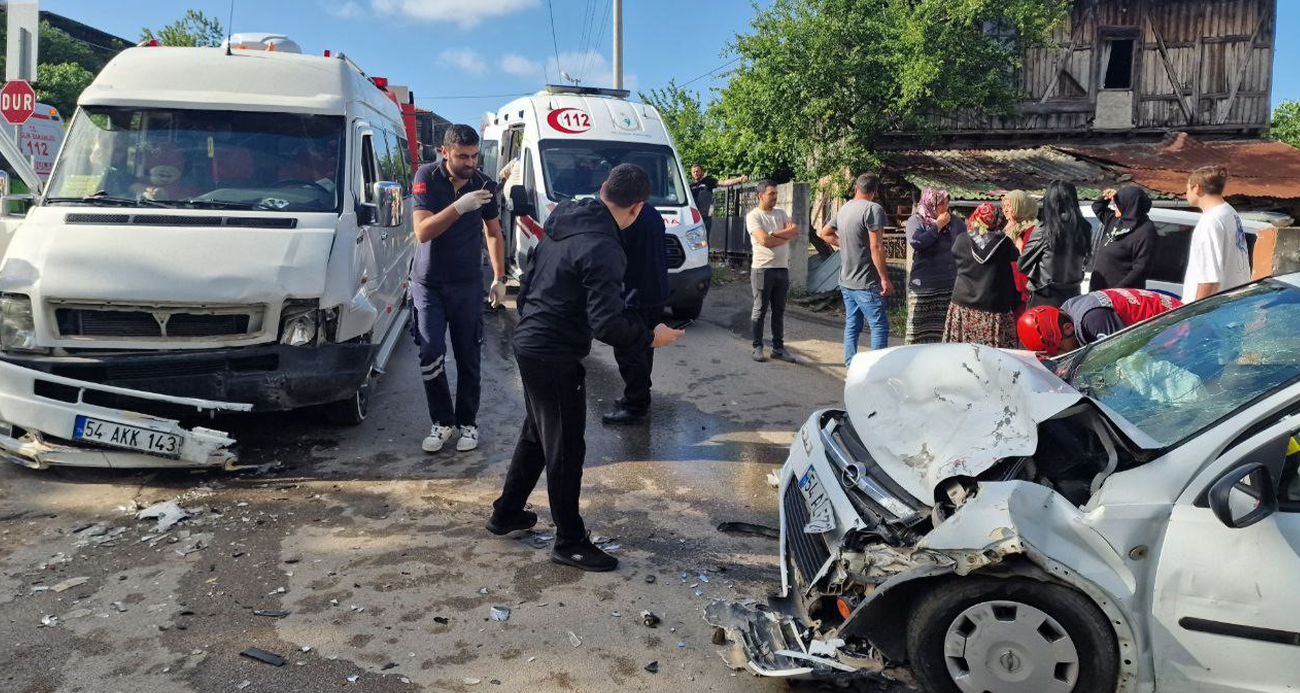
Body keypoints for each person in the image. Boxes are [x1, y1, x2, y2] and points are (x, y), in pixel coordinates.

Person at [489, 164, 685, 572]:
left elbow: (527, 280)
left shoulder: (561, 219)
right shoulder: (605, 247)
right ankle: (570, 541)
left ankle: (507, 512)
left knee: (537, 434)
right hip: (552, 353)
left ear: (602, 190)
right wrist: (652, 337)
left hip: (530, 342)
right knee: (565, 447)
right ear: (638, 209)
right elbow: (608, 323)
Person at [410, 124, 508, 454]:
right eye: (463, 156)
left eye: (475, 156)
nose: (470, 163)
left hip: (466, 283)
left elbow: (493, 233)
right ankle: (441, 422)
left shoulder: (483, 183)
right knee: (431, 350)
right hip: (429, 283)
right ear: (445, 152)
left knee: (469, 355)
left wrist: (499, 277)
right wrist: (460, 206)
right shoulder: (425, 176)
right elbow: (423, 231)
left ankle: (468, 423)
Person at [602, 203, 670, 425]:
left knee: (630, 351)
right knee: (645, 347)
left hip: (634, 294)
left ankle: (635, 406)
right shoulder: (651, 212)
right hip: (655, 291)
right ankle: (639, 396)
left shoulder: (625, 216)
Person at [820, 173, 893, 363]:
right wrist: (884, 278)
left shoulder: (845, 208)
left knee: (853, 324)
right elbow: (876, 247)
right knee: (879, 326)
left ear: (856, 188)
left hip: (846, 280)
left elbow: (824, 233)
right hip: (866, 282)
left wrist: (846, 244)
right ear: (875, 191)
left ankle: (850, 365)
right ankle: (876, 370)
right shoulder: (873, 209)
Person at [943, 202, 1021, 348]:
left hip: (962, 307)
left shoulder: (962, 239)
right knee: (993, 360)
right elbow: (1016, 257)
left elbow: (955, 255)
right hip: (994, 309)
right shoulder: (1004, 242)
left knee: (962, 356)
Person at [1018, 288, 1183, 356]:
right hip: (1165, 329)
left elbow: (1124, 360)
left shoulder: (1093, 320)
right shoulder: (1068, 313)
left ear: (1068, 328)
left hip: (1182, 328)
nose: (1062, 355)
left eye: (1060, 349)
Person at [747, 180, 799, 363]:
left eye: (776, 194)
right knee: (760, 310)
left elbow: (795, 231)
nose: (775, 197)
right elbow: (764, 241)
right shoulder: (753, 216)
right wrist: (783, 236)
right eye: (771, 194)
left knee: (779, 310)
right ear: (760, 195)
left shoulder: (781, 213)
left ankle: (778, 348)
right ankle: (757, 347)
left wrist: (775, 234)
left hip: (782, 269)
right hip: (763, 270)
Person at [1183, 166, 1250, 302]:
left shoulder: (1210, 222)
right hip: (1232, 304)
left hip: (1211, 311)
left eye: (1187, 189)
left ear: (1197, 188)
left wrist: (1194, 315)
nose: (1186, 193)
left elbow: (1209, 279)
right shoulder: (1230, 212)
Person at [1019, 180, 1091, 308]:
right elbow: (1085, 261)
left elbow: (1023, 265)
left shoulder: (1044, 230)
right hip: (1074, 296)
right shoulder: (1085, 228)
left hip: (1045, 297)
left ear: (1050, 201)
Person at [904, 189, 962, 344]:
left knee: (945, 334)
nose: (945, 207)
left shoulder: (956, 223)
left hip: (949, 286)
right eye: (941, 203)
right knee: (918, 332)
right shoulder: (916, 221)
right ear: (930, 203)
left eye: (947, 203)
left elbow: (965, 245)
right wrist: (937, 226)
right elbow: (918, 243)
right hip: (924, 286)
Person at [1089, 186, 1157, 291]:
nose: (1114, 205)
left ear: (1129, 204)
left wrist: (1117, 291)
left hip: (1120, 295)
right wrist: (1106, 196)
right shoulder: (1115, 220)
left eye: (1118, 202)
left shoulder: (1145, 230)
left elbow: (1140, 269)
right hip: (1098, 291)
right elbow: (1097, 207)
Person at [1002, 190, 1039, 312]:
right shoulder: (1011, 228)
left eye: (1009, 206)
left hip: (1024, 293)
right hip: (1010, 287)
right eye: (1004, 206)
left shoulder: (1032, 229)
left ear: (1021, 207)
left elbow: (1027, 257)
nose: (1005, 210)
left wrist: (1017, 241)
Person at [689, 165, 747, 232]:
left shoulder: (709, 181)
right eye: (694, 172)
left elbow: (724, 183)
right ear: (691, 173)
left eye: (697, 171)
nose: (696, 173)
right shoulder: (689, 186)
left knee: (704, 237)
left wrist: (739, 179)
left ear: (701, 172)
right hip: (693, 216)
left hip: (705, 216)